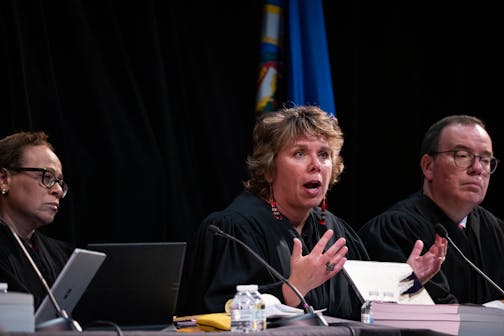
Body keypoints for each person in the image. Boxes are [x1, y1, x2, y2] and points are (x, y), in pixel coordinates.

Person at [176, 105, 447, 320]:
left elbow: (358, 311)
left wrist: (402, 284)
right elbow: (216, 316)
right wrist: (292, 289)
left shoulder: (335, 231)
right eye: (299, 154)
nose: (316, 165)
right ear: (269, 168)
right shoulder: (234, 230)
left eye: (325, 155)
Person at [358, 115, 504, 305]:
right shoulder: (395, 230)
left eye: (485, 159)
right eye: (462, 156)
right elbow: (430, 312)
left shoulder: (497, 231)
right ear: (428, 166)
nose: (477, 169)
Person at [0, 131, 72, 309]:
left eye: (59, 181)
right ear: (4, 180)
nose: (57, 190)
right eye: (47, 177)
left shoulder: (62, 255)